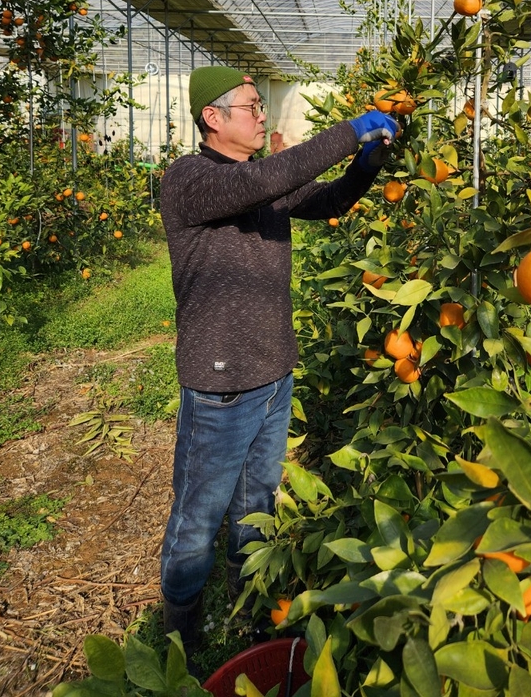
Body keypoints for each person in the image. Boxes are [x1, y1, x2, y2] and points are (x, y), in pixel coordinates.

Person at [158, 66, 398, 661]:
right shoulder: (190, 178)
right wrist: (348, 131)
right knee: (198, 513)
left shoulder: (256, 180)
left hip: (273, 372)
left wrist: (365, 165)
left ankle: (249, 598)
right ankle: (178, 624)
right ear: (213, 119)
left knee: (256, 502)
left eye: (263, 107)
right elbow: (270, 180)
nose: (263, 116)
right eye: (251, 106)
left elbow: (326, 199)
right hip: (220, 382)